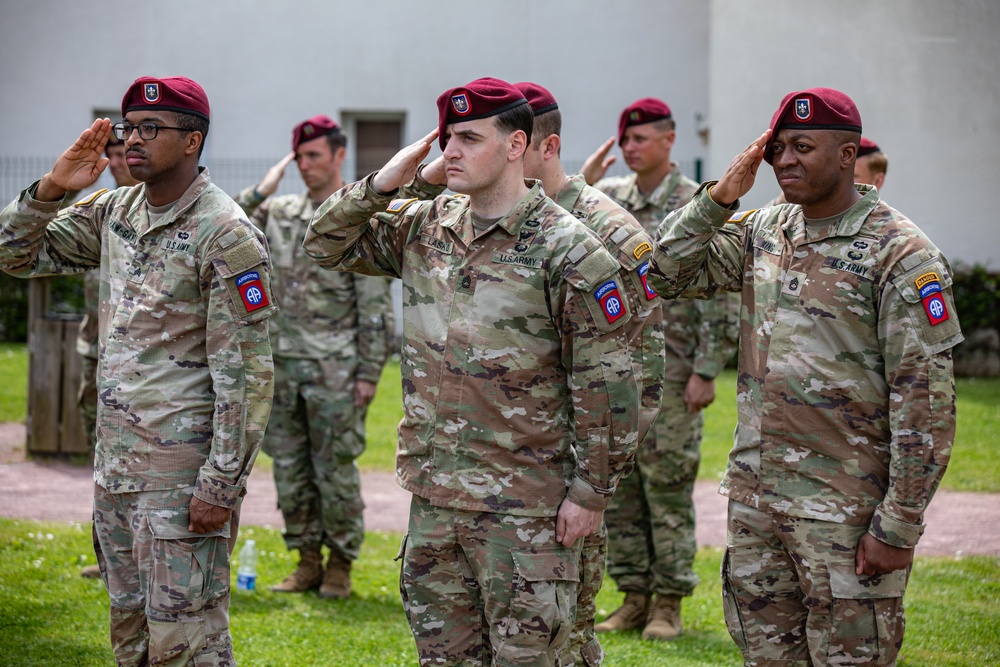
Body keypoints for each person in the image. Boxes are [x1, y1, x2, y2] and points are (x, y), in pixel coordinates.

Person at [303, 77, 640, 667]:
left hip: (527, 510)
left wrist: (590, 493)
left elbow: (607, 383)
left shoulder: (568, 249)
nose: (450, 151)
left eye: (469, 138)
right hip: (436, 499)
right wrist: (389, 180)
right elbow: (325, 242)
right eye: (446, 138)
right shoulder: (425, 227)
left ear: (517, 146)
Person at [650, 87, 962, 665]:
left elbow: (924, 404)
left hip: (845, 515)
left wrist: (897, 524)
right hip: (758, 506)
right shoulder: (766, 228)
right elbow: (665, 273)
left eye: (803, 147)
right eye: (776, 149)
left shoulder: (900, 254)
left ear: (848, 155)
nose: (785, 161)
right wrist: (719, 197)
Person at [0, 76, 277, 666]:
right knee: (130, 643)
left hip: (180, 481)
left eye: (152, 129)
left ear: (192, 141)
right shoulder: (115, 210)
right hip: (118, 472)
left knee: (187, 642)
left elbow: (246, 376)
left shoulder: (225, 232)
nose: (132, 140)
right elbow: (12, 253)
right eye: (128, 127)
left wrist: (220, 486)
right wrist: (51, 188)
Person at [583, 97, 730, 641]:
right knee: (619, 485)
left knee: (667, 486)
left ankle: (668, 601)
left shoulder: (697, 203)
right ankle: (633, 595)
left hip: (672, 371)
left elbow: (719, 294)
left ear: (670, 139)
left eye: (641, 138)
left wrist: (707, 368)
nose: (630, 148)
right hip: (617, 368)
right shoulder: (609, 200)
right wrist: (586, 179)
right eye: (626, 140)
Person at [234, 115, 393, 598]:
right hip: (283, 362)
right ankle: (305, 560)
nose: (305, 166)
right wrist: (262, 191)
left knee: (335, 469)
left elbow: (374, 306)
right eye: (299, 157)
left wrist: (368, 373)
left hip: (336, 369)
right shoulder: (280, 212)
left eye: (314, 156)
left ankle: (341, 564)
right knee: (291, 468)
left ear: (339, 155)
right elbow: (230, 221)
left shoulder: (355, 215)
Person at [77, 133, 141, 580]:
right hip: (100, 355)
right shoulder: (104, 210)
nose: (120, 159)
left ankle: (139, 557)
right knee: (102, 459)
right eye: (115, 151)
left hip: (148, 371)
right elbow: (15, 246)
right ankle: (110, 557)